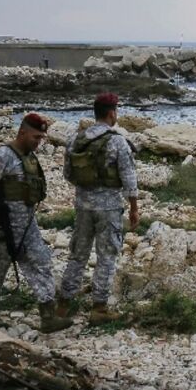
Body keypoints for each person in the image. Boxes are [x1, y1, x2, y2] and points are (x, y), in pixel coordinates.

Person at [0, 113, 72, 333]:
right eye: (36, 137)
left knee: (40, 261)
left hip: (26, 225)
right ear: (22, 132)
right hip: (3, 225)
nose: (39, 142)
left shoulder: (29, 158)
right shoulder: (3, 156)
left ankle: (47, 315)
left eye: (41, 138)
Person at [58, 93, 139, 324]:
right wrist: (134, 208)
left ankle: (63, 304)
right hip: (110, 208)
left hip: (83, 206)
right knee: (107, 256)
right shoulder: (117, 141)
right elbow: (129, 179)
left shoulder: (76, 139)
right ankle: (99, 307)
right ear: (112, 113)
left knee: (77, 255)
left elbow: (68, 174)